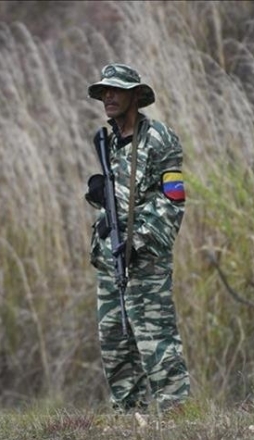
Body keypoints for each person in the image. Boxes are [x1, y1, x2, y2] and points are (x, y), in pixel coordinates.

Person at [85, 63, 190, 414]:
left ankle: (177, 415)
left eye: (115, 90)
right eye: (104, 91)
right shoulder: (110, 141)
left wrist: (138, 239)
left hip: (146, 257)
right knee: (114, 340)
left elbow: (173, 199)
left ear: (135, 95)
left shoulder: (160, 138)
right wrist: (101, 198)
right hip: (111, 257)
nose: (108, 97)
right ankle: (129, 417)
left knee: (155, 339)